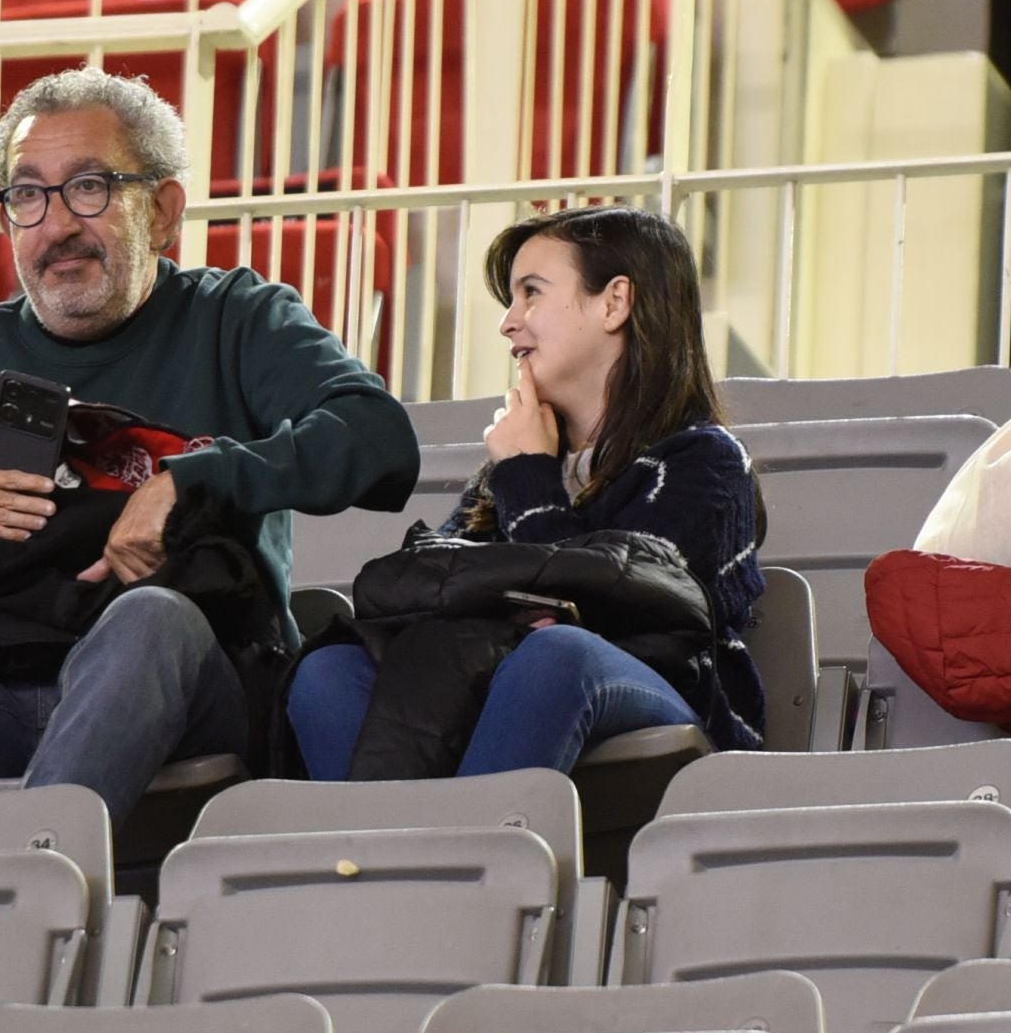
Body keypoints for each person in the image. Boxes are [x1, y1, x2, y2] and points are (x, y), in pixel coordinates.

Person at [0, 67, 420, 819]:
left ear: (161, 212)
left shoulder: (236, 320)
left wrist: (190, 483)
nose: (57, 225)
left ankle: (28, 895)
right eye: (28, 196)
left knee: (151, 616)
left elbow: (377, 436)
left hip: (185, 691)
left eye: (89, 187)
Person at [287, 204, 767, 777]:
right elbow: (439, 591)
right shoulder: (513, 467)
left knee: (558, 655)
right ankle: (377, 861)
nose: (509, 323)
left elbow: (622, 613)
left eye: (531, 292)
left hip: (672, 700)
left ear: (614, 302)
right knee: (329, 670)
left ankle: (469, 861)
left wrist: (527, 476)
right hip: (494, 679)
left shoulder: (701, 460)